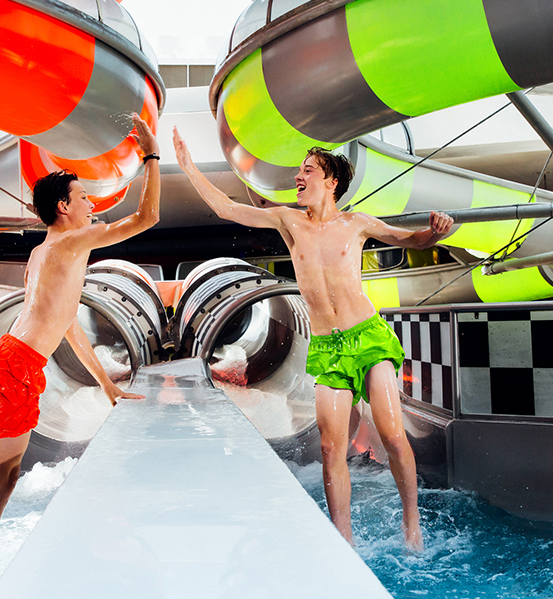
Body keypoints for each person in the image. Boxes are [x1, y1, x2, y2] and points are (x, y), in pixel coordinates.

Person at [173, 129, 453, 550]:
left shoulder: (356, 223)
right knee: (328, 447)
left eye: (308, 170)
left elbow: (409, 238)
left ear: (331, 181)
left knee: (394, 435)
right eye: (299, 172)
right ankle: (344, 541)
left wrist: (433, 234)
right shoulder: (289, 221)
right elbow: (226, 207)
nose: (298, 177)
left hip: (368, 337)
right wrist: (187, 163)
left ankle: (412, 526)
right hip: (327, 347)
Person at [0, 114, 161, 559]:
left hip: (0, 355)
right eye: (84, 198)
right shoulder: (69, 244)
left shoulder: (43, 253)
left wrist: (106, 385)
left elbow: (65, 327)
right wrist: (151, 155)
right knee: (3, 478)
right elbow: (148, 216)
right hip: (16, 362)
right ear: (64, 207)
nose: (92, 206)